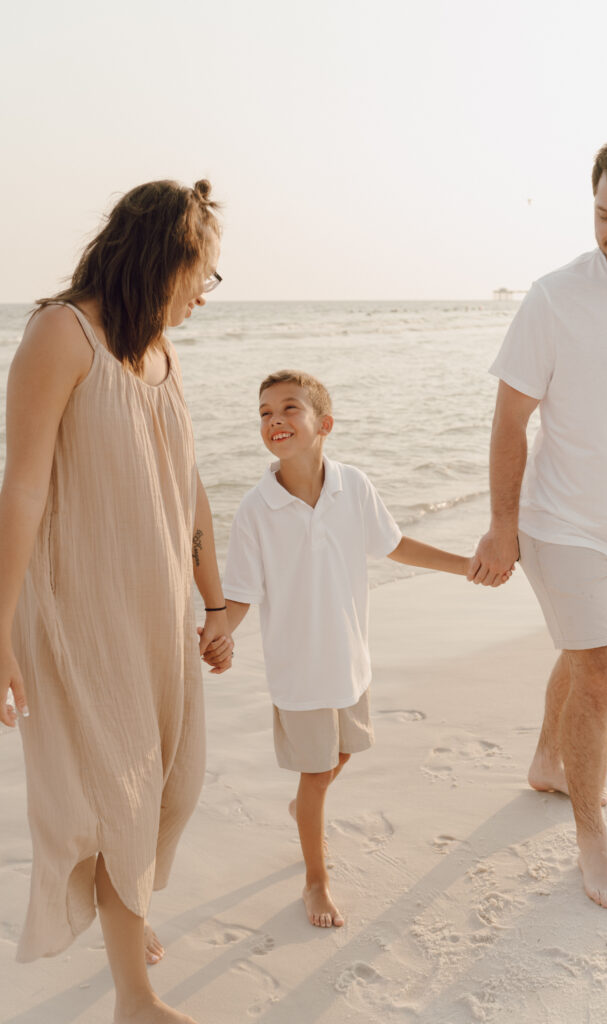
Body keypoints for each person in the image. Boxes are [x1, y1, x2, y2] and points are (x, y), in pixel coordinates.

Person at [0, 180, 233, 1024]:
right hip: (77, 607)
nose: (204, 294)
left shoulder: (161, 352)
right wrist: (0, 631)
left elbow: (189, 483)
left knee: (174, 784)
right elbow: (21, 488)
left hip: (158, 606)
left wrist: (216, 601)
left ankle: (123, 916)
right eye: (201, 275)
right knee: (119, 792)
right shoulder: (63, 336)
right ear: (163, 259)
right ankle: (135, 995)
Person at [468, 129, 607, 912]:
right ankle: (592, 841)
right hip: (560, 519)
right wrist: (501, 524)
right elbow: (508, 420)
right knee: (600, 669)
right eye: (602, 215)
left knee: (582, 652)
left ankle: (545, 761)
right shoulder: (555, 296)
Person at [207, 370, 485, 929]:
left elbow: (395, 544)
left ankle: (302, 811)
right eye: (264, 412)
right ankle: (316, 880)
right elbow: (238, 594)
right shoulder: (256, 510)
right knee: (314, 777)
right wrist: (221, 633)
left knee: (344, 754)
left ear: (324, 424)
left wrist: (466, 567)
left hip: (350, 660)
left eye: (289, 408)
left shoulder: (352, 486)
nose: (275, 419)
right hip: (300, 671)